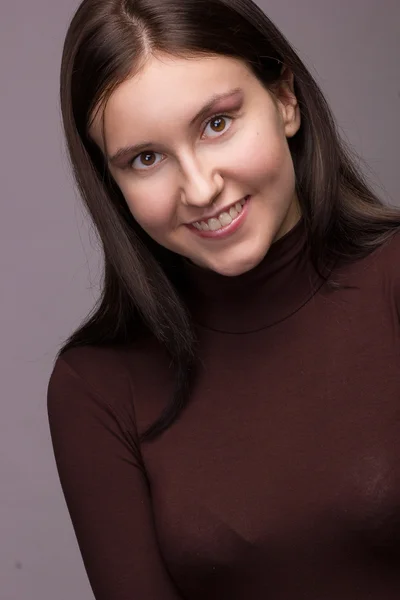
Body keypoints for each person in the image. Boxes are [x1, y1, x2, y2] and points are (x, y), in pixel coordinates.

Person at [46, 0, 400, 598]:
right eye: (147, 158)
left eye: (217, 123)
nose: (200, 188)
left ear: (285, 100)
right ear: (113, 183)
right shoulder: (97, 387)